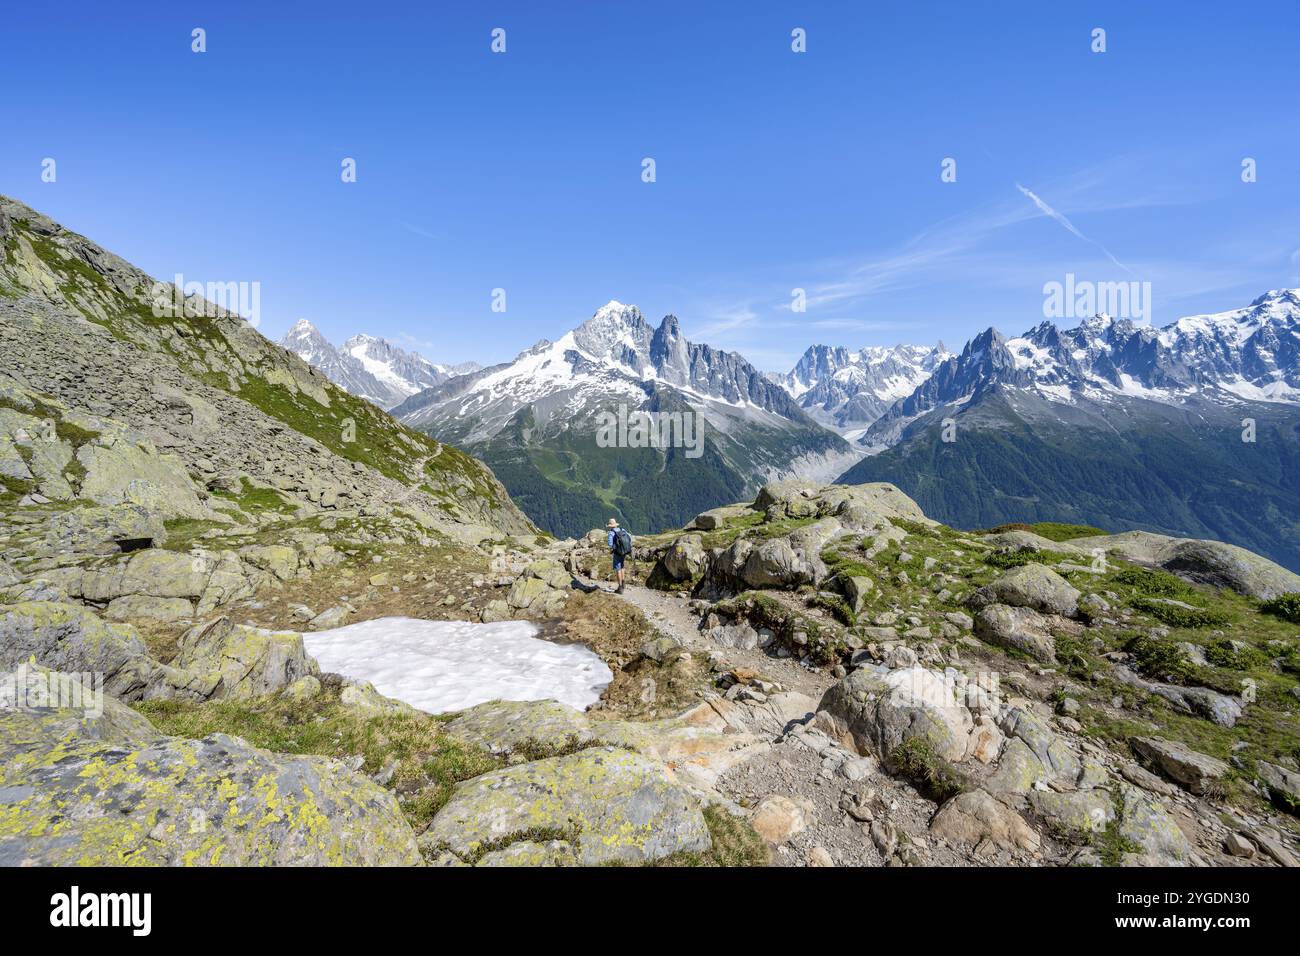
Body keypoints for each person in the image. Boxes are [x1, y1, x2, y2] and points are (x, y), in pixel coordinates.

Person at [607, 518, 629, 594]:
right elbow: (629, 538)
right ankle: (623, 583)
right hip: (624, 551)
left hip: (617, 553)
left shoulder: (611, 533)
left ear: (610, 526)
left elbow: (610, 544)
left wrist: (614, 546)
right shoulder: (622, 529)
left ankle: (620, 587)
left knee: (618, 569)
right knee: (622, 566)